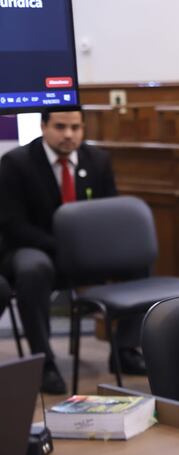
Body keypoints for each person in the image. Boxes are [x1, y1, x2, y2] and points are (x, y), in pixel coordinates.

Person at [0, 107, 146, 394]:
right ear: (43, 126)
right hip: (34, 247)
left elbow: (109, 211)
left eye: (76, 127)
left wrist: (94, 245)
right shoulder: (16, 163)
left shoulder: (98, 160)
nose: (69, 134)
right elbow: (12, 224)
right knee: (33, 270)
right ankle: (44, 362)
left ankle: (125, 351)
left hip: (85, 249)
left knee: (136, 259)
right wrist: (62, 246)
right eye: (60, 126)